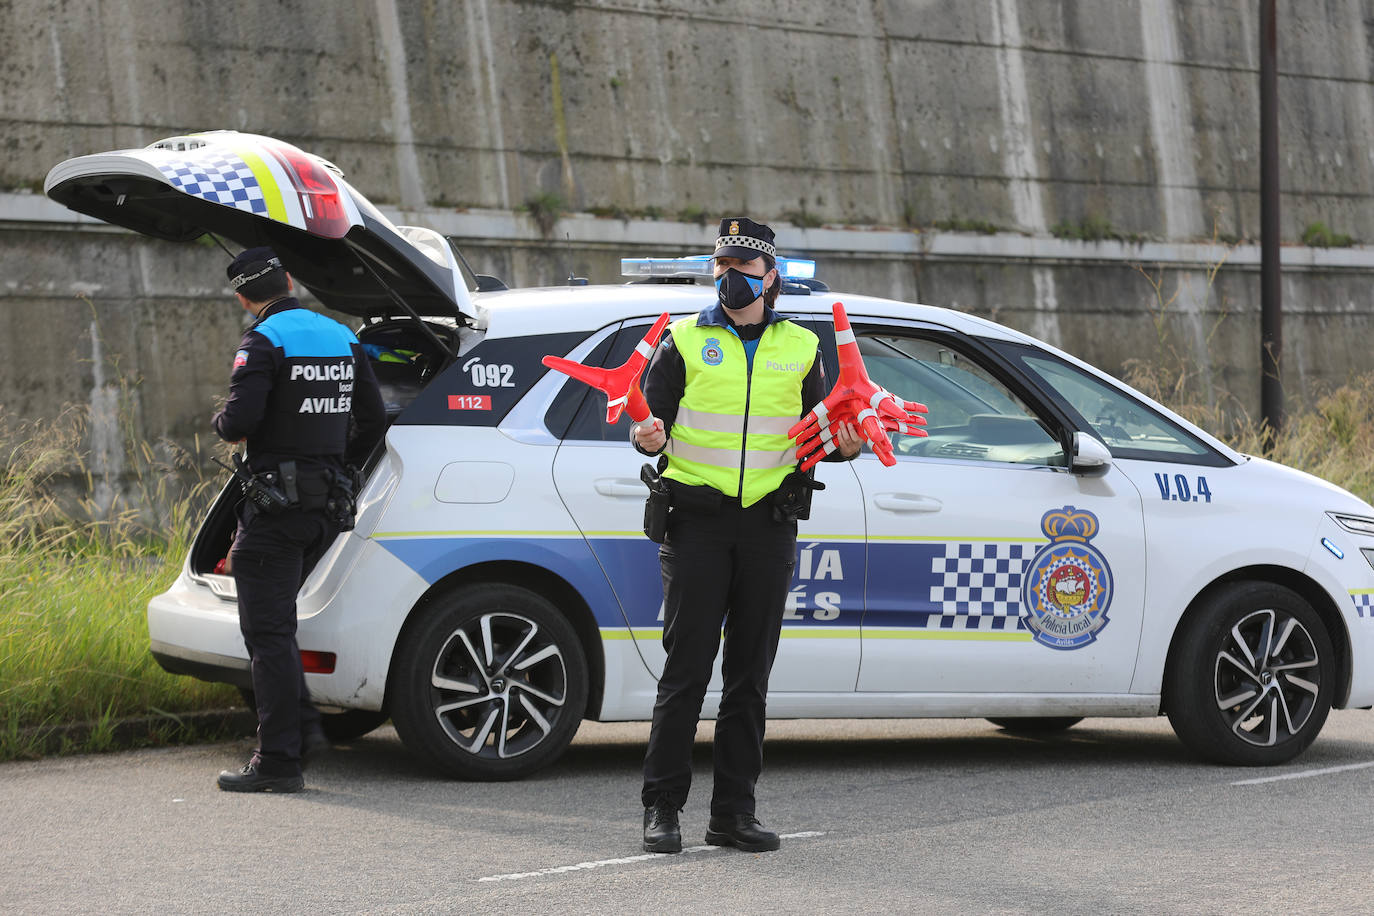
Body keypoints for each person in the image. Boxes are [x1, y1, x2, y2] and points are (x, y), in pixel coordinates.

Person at [633, 217, 861, 852]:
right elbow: (646, 422)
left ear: (771, 278)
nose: (730, 278)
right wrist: (644, 437)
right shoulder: (680, 339)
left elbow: (820, 436)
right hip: (697, 523)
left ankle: (733, 813)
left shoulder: (802, 348)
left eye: (744, 269)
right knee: (685, 672)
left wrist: (845, 447)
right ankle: (662, 810)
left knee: (749, 678)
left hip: (768, 524)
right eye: (722, 267)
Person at [212, 246, 385, 793]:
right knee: (280, 629)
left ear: (244, 297)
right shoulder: (341, 334)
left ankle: (280, 762)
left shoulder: (262, 342)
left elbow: (238, 422)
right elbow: (374, 418)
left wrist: (220, 419)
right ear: (288, 279)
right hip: (326, 507)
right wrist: (329, 464)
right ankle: (303, 730)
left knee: (268, 634)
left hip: (275, 510)